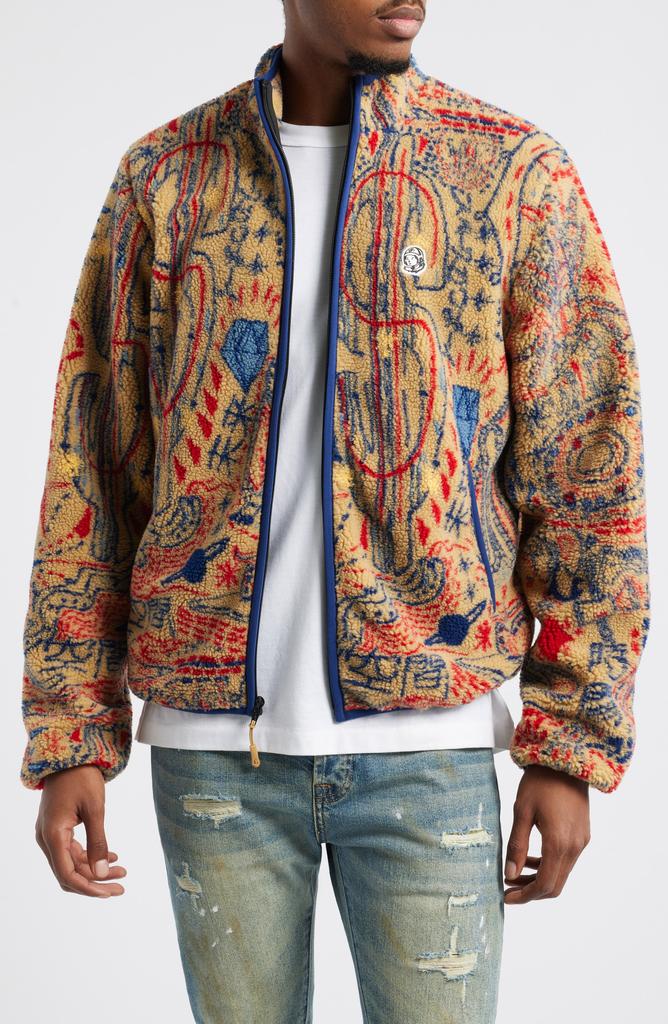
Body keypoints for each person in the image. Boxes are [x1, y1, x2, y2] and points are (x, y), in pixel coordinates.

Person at [21, 1, 651, 1021]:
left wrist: (568, 743)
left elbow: (587, 468)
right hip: (213, 755)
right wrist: (72, 732)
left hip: (431, 749)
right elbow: (92, 463)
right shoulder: (168, 177)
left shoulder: (508, 174)